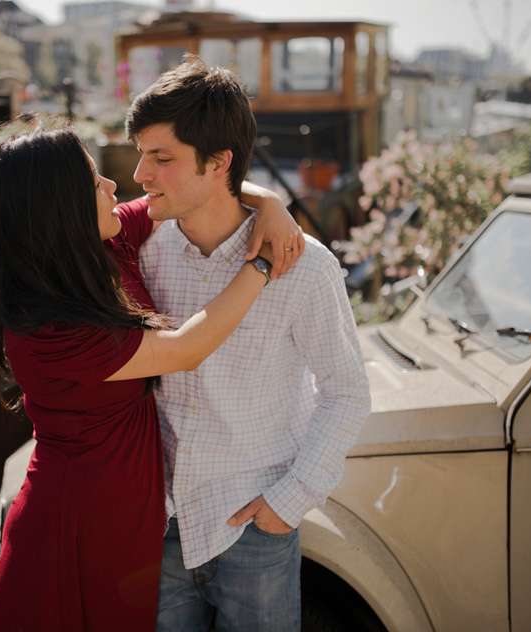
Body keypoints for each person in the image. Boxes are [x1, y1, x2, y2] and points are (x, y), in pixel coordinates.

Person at [0, 120, 302, 632]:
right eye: (94, 183)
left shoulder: (101, 246)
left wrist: (270, 202)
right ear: (62, 208)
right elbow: (187, 348)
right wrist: (259, 265)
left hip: (121, 514)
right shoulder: (48, 328)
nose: (112, 187)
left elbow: (189, 187)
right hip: (79, 521)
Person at [124, 54, 372, 631]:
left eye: (161, 158)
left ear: (218, 163)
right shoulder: (139, 250)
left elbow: (346, 390)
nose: (141, 174)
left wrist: (288, 504)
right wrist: (269, 199)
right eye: (141, 154)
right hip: (157, 526)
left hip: (253, 529)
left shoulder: (306, 268)